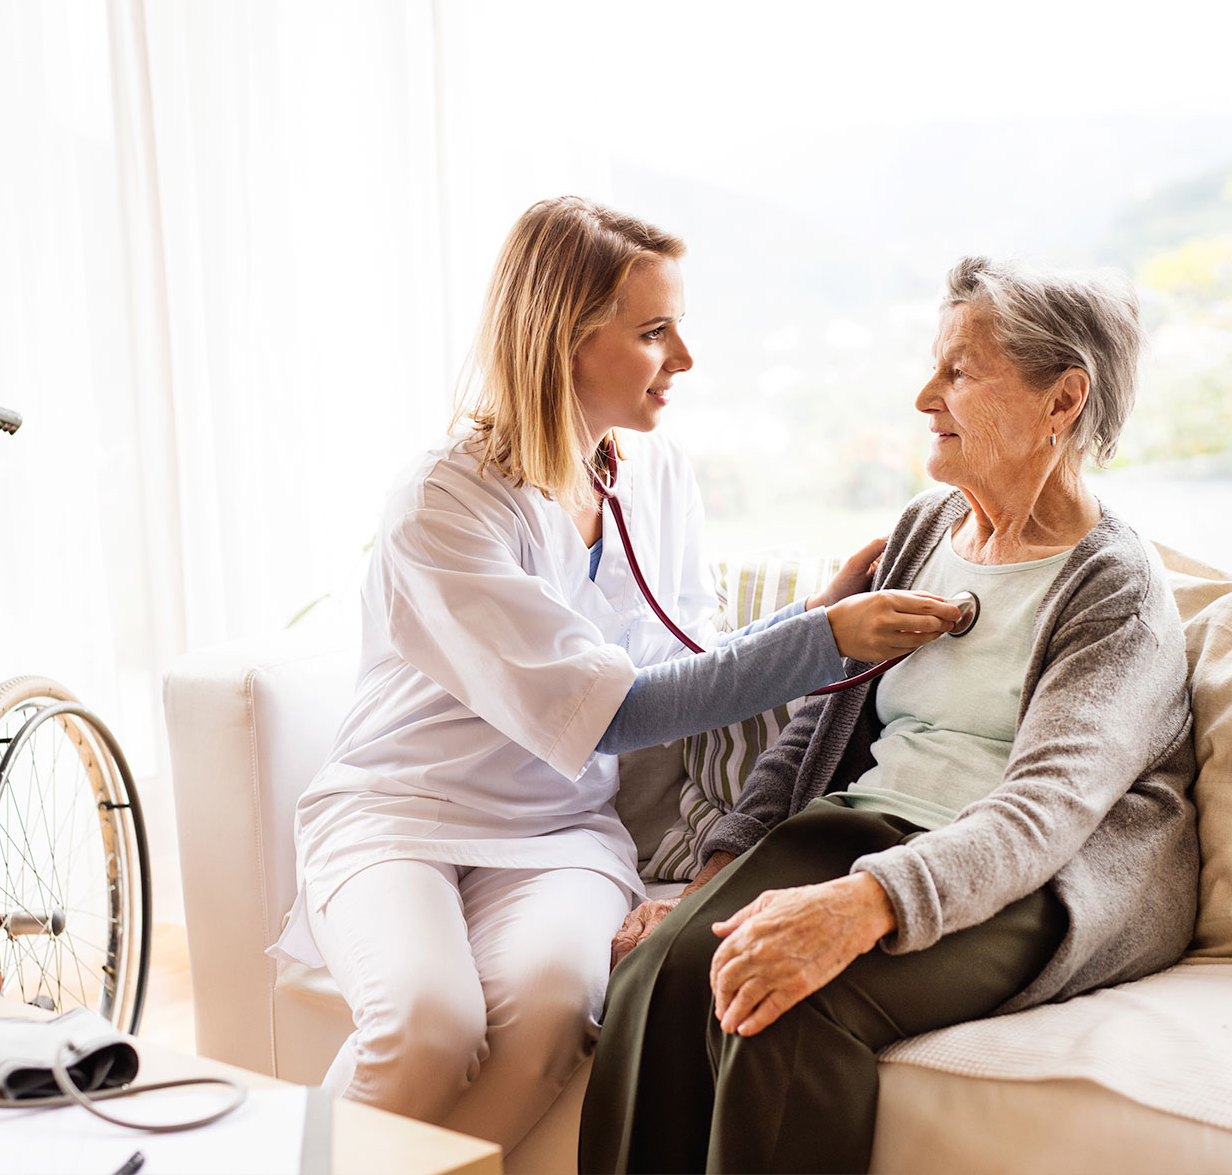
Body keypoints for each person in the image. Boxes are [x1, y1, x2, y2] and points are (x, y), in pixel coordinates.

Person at [275, 197, 962, 1151]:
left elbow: (687, 660)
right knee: (428, 1027)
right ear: (561, 339)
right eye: (653, 332)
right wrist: (827, 639)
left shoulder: (653, 474)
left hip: (557, 829)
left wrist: (811, 618)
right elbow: (613, 713)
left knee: (553, 1015)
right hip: (404, 816)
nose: (684, 358)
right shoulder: (445, 503)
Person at [582, 256, 1201, 1174]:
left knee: (780, 1003)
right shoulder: (924, 530)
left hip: (1031, 881)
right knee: (660, 974)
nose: (925, 396)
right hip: (869, 829)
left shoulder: (1114, 589)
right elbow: (817, 732)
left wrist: (863, 906)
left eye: (959, 371)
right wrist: (713, 876)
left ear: (1063, 400)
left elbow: (1045, 815)